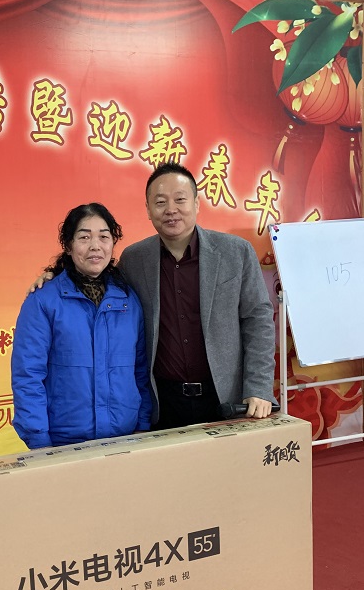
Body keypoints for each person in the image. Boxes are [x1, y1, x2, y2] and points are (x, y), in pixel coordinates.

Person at [29, 163, 276, 430]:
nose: (171, 209)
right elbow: (97, 278)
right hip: (163, 402)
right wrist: (56, 276)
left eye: (180, 199)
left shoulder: (236, 252)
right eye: (160, 202)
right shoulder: (135, 259)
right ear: (148, 210)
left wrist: (258, 387)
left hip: (226, 398)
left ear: (196, 203)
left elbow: (258, 320)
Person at [12, 203, 152, 449]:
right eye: (84, 237)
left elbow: (140, 371)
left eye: (104, 237)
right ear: (68, 246)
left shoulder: (128, 300)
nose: (95, 246)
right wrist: (39, 441)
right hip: (65, 442)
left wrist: (142, 424)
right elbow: (28, 376)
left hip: (126, 438)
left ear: (113, 243)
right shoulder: (43, 301)